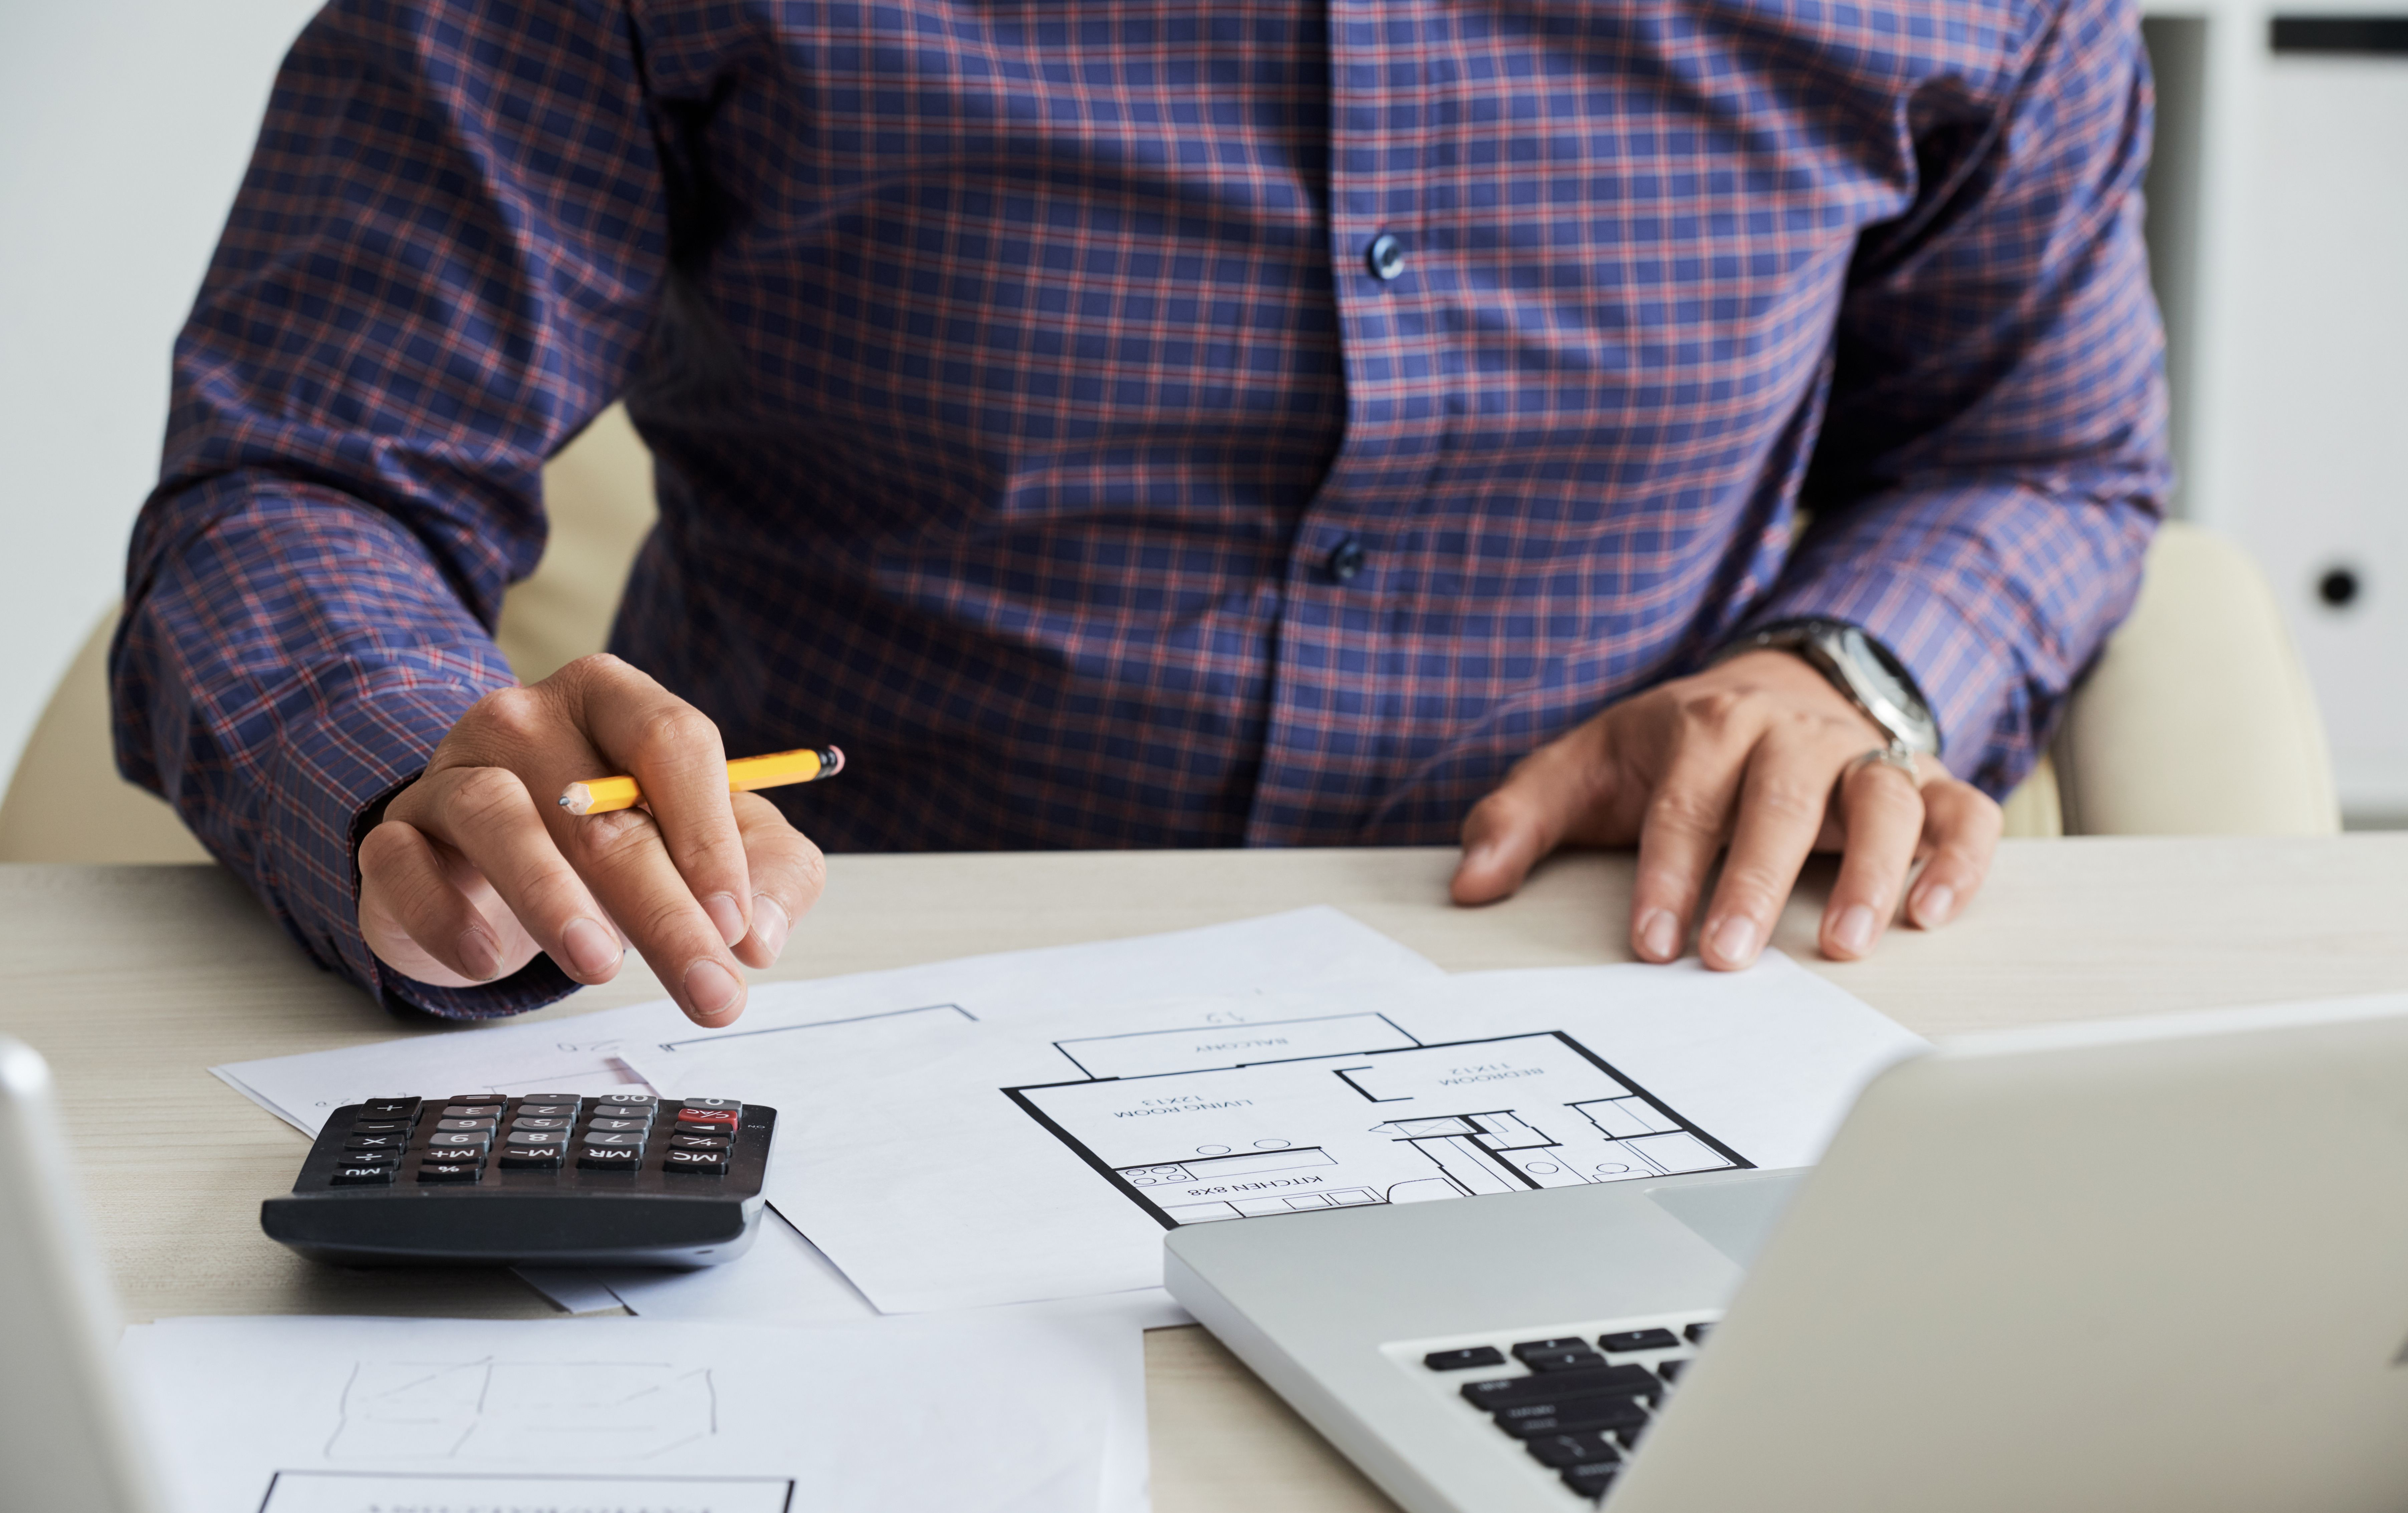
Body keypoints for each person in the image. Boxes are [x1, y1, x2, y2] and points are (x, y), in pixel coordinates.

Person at [114, 0, 2168, 1028]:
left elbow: (2036, 455)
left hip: (1629, 1002)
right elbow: (310, 466)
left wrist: (1843, 674)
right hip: (798, 1004)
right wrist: (410, 770)